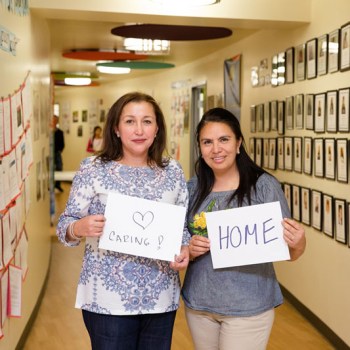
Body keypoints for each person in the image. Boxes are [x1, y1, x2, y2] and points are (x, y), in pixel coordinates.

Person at [56, 92, 190, 350]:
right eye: (130, 121)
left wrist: (183, 249)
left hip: (161, 296)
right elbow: (65, 226)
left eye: (147, 121)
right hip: (107, 301)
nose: (139, 130)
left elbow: (181, 228)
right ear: (116, 128)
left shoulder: (173, 171)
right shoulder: (92, 168)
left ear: (157, 127)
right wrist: (79, 227)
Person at [181, 108, 306, 350]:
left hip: (249, 306)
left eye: (224, 139)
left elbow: (289, 252)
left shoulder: (263, 186)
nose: (216, 149)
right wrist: (189, 248)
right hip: (199, 304)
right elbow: (180, 243)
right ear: (200, 147)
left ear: (238, 142)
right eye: (207, 142)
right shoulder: (192, 188)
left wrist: (299, 243)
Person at [53, 115, 65, 192]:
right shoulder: (48, 132)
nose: (54, 121)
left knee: (59, 168)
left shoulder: (60, 132)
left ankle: (58, 185)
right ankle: (51, 185)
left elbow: (62, 144)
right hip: (50, 154)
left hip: (57, 153)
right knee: (50, 169)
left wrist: (59, 150)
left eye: (55, 120)